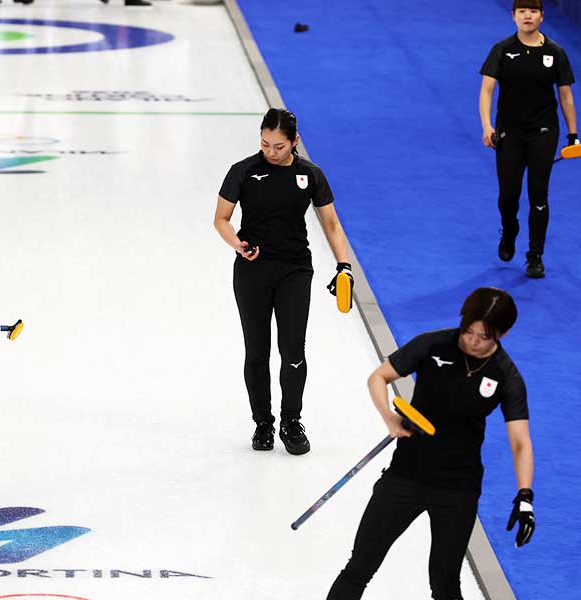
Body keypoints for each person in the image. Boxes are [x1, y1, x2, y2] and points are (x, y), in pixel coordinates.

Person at [326, 287, 535, 600]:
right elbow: (379, 377)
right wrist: (389, 417)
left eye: (484, 337)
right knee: (359, 567)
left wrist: (525, 497)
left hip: (458, 489)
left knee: (445, 584)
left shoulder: (506, 376)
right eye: (469, 331)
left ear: (503, 334)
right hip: (405, 476)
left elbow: (520, 443)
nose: (473, 341)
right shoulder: (434, 344)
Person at [213, 108, 351, 454]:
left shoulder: (310, 174)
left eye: (278, 146)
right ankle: (263, 424)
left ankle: (291, 420)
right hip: (252, 270)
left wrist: (344, 266)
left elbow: (332, 224)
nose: (270, 152)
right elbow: (221, 219)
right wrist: (238, 245)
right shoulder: (243, 171)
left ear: (295, 142)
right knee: (256, 351)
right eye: (264, 144)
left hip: (295, 270)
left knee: (292, 349)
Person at [479, 0, 577, 278]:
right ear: (513, 16)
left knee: (538, 195)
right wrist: (487, 127)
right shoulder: (502, 50)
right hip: (509, 131)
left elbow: (566, 96)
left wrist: (573, 136)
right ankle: (509, 229)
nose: (527, 16)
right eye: (522, 11)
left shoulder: (555, 53)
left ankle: (535, 256)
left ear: (542, 17)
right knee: (508, 196)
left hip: (543, 132)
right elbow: (487, 90)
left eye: (533, 11)